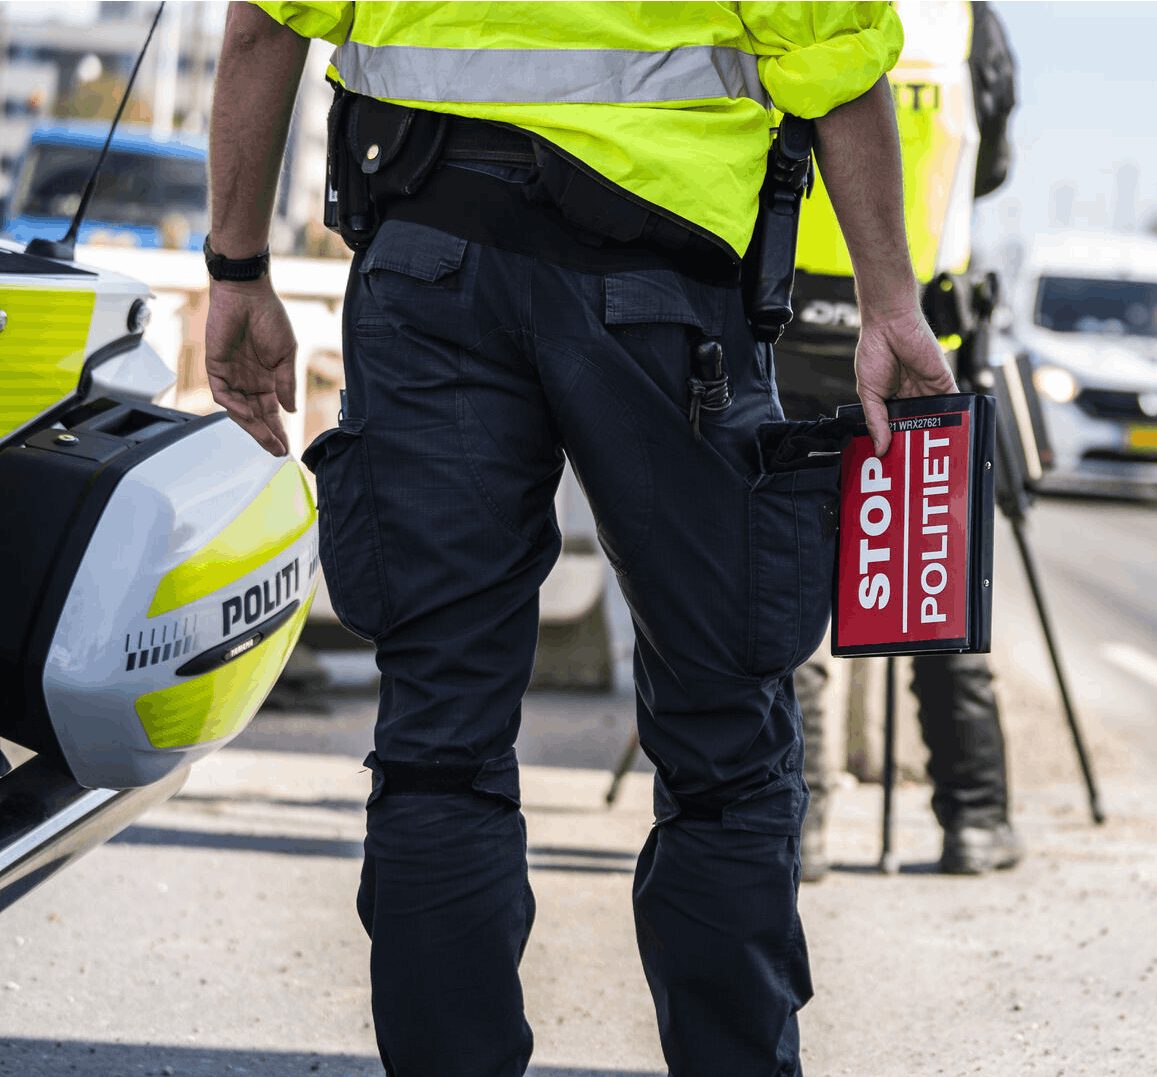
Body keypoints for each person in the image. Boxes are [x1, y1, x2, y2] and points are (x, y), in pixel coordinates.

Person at [200, 3, 953, 1075]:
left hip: (427, 268)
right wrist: (888, 301)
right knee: (725, 740)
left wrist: (236, 272)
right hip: (667, 295)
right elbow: (837, 58)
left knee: (437, 739)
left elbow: (262, 28)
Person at [780, 0, 1022, 880]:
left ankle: (796, 824)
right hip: (925, 345)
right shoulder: (968, 24)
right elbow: (991, 167)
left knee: (790, 590)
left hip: (789, 328)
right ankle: (977, 819)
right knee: (934, 588)